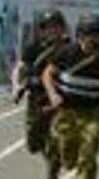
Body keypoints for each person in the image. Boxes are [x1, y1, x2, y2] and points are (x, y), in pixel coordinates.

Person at [41, 13, 99, 179]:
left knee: (89, 155)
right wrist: (53, 95)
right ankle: (57, 174)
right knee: (67, 156)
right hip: (66, 113)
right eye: (93, 35)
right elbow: (47, 73)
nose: (97, 40)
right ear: (81, 35)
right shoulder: (67, 52)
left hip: (91, 114)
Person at [14, 10, 67, 160]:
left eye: (55, 26)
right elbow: (20, 68)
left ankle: (53, 167)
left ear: (62, 28)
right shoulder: (33, 48)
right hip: (36, 98)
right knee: (34, 143)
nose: (51, 30)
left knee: (54, 136)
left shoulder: (70, 48)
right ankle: (51, 159)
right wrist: (17, 86)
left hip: (59, 98)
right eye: (46, 27)